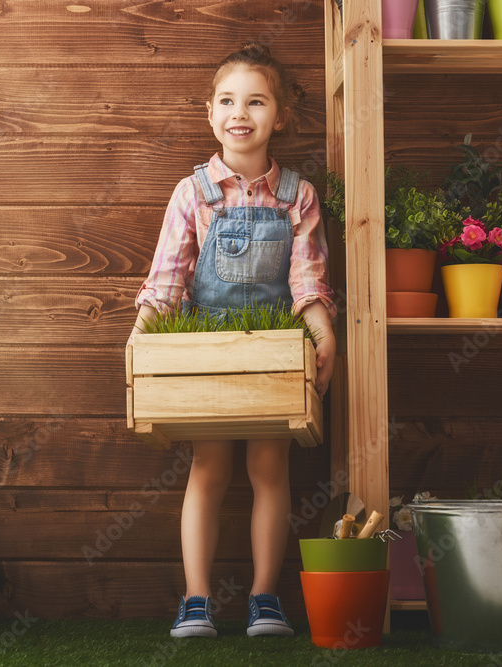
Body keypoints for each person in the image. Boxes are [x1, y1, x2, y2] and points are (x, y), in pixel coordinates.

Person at [129, 44, 336, 639]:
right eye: (226, 100)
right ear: (210, 113)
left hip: (274, 351)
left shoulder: (298, 194)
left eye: (255, 100)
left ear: (280, 115)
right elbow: (168, 275)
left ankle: (264, 598)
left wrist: (324, 338)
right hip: (207, 353)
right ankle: (196, 601)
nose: (239, 112)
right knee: (209, 464)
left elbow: (307, 276)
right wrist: (140, 339)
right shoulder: (192, 192)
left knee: (269, 466)